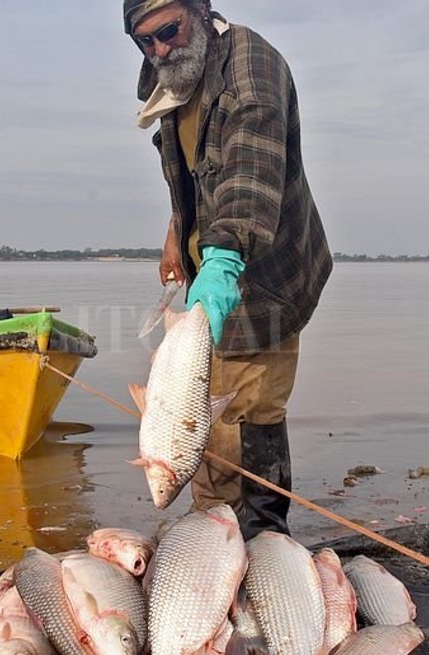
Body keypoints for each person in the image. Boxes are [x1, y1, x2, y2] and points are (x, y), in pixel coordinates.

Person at [124, 0, 332, 540]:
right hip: (207, 263)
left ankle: (263, 540)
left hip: (264, 270)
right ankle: (213, 527)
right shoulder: (173, 77)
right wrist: (177, 233)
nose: (160, 48)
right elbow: (192, 171)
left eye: (168, 30)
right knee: (208, 410)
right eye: (145, 41)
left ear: (199, 10)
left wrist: (220, 261)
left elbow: (246, 176)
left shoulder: (252, 70)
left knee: (250, 408)